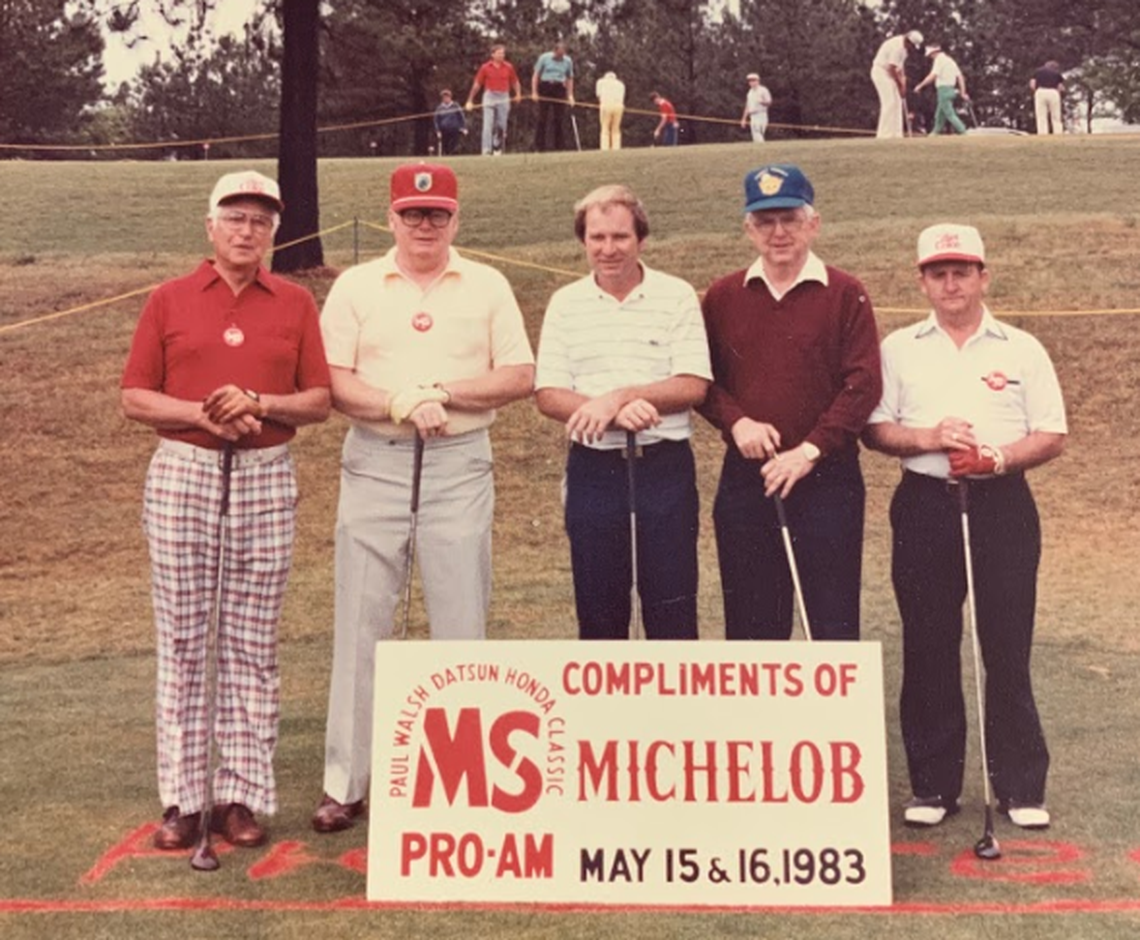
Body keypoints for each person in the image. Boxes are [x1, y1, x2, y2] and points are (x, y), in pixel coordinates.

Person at [312, 163, 535, 832]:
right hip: (375, 460)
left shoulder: (487, 284)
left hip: (458, 463)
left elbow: (520, 374)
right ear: (391, 218)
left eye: (437, 214)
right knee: (362, 620)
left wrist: (440, 392)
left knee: (460, 619)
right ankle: (345, 783)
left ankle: (460, 784)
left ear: (456, 219)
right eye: (413, 213)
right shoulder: (356, 286)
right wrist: (394, 402)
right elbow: (331, 380)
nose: (425, 225)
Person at [121, 170, 332, 851]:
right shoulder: (169, 298)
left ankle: (241, 795)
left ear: (275, 231)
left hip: (266, 475)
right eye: (235, 218)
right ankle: (183, 798)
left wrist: (259, 404)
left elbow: (318, 400)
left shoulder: (294, 302)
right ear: (209, 226)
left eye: (261, 221)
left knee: (251, 642)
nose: (248, 231)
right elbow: (135, 397)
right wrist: (209, 413)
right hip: (185, 470)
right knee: (184, 639)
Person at [863, 224, 1066, 829]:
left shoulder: (1021, 347)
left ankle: (1021, 786)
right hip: (926, 504)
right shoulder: (899, 347)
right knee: (928, 643)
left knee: (1006, 644)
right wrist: (926, 437)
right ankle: (932, 786)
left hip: (1002, 504)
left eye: (962, 271)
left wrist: (996, 458)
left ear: (983, 276)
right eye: (938, 272)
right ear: (922, 280)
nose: (950, 283)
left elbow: (1051, 433)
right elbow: (875, 429)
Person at [698, 164, 882, 641]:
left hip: (828, 477)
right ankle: (759, 720)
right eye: (765, 222)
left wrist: (809, 451)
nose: (778, 233)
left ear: (812, 224)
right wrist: (736, 422)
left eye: (790, 219)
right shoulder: (722, 296)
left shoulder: (846, 293)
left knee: (832, 620)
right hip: (750, 476)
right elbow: (702, 381)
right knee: (753, 623)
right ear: (748, 228)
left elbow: (863, 385)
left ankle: (832, 720)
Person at [535, 185, 711, 640]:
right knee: (599, 609)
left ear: (641, 240)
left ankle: (672, 714)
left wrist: (619, 397)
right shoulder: (565, 303)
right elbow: (549, 393)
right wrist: (614, 414)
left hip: (663, 467)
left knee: (671, 606)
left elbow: (693, 383)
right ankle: (605, 714)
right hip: (594, 469)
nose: (608, 249)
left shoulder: (676, 295)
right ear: (583, 242)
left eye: (620, 237)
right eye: (597, 238)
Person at [465, 44, 523, 155]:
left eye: (503, 53)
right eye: (499, 53)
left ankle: (497, 147)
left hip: (504, 96)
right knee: (488, 124)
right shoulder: (485, 67)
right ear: (493, 54)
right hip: (489, 95)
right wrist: (470, 100)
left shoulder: (509, 67)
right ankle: (486, 149)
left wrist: (518, 94)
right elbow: (477, 85)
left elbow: (515, 82)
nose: (502, 55)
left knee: (501, 125)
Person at [871, 30, 924, 138]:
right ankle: (884, 135)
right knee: (889, 102)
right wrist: (900, 84)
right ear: (908, 41)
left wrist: (903, 82)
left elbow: (899, 68)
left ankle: (896, 134)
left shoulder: (904, 49)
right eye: (912, 45)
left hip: (890, 73)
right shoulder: (897, 47)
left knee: (897, 102)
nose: (912, 48)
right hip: (881, 72)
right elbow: (891, 69)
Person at [915, 44, 969, 135]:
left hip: (943, 90)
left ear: (934, 53)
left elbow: (933, 75)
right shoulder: (950, 61)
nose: (931, 58)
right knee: (940, 114)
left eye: (931, 55)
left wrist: (920, 85)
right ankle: (934, 133)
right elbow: (960, 77)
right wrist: (963, 92)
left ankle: (963, 131)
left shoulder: (939, 60)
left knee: (949, 114)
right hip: (951, 89)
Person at [532, 40, 576, 151]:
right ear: (554, 51)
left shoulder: (567, 61)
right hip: (546, 86)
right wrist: (534, 92)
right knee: (543, 117)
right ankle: (540, 146)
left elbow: (570, 78)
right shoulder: (544, 58)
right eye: (558, 55)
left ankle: (559, 146)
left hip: (559, 88)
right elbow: (536, 75)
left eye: (562, 55)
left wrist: (570, 95)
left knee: (559, 118)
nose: (560, 57)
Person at [1031, 60, 1064, 135]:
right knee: (1056, 115)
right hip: (1053, 92)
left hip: (1041, 91)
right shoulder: (1057, 74)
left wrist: (1036, 91)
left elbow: (1032, 84)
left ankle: (1042, 133)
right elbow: (1060, 87)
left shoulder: (1038, 72)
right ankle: (1058, 133)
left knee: (1041, 115)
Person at [595, 69, 626, 151]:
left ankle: (605, 148)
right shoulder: (621, 84)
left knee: (605, 127)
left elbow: (598, 95)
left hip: (606, 104)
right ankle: (616, 148)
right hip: (619, 106)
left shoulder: (600, 82)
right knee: (616, 128)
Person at [740, 72, 773, 142]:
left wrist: (762, 102)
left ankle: (762, 148)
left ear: (758, 81)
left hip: (761, 114)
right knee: (755, 135)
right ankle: (760, 149)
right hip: (752, 116)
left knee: (758, 132)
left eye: (753, 80)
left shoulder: (763, 90)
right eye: (750, 81)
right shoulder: (750, 92)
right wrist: (744, 119)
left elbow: (769, 102)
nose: (751, 83)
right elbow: (747, 106)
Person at [433, 89, 467, 155]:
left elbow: (461, 117)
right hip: (444, 130)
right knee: (445, 146)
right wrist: (438, 131)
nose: (445, 98)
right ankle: (447, 155)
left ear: (450, 97)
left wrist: (463, 128)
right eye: (444, 97)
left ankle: (453, 154)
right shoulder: (439, 108)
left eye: (447, 97)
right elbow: (436, 120)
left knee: (454, 145)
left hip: (454, 130)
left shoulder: (455, 106)